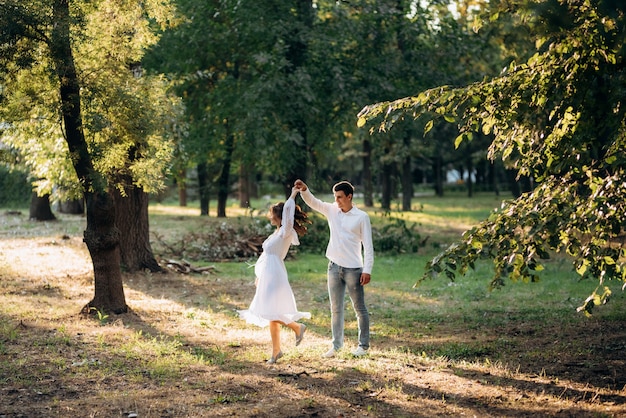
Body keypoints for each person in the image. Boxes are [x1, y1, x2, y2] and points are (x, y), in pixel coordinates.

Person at [294, 179, 373, 358]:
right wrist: (304, 190)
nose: (336, 201)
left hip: (354, 269)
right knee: (335, 308)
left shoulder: (362, 217)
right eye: (335, 197)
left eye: (339, 197)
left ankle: (363, 346)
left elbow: (368, 246)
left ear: (349, 197)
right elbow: (314, 202)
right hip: (333, 267)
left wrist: (367, 270)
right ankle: (337, 346)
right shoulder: (332, 210)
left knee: (359, 308)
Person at [238, 186, 311, 364]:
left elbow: (288, 211)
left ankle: (297, 327)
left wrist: (294, 194)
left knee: (269, 311)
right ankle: (276, 351)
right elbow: (265, 256)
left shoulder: (286, 231)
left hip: (275, 273)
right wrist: (259, 275)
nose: (270, 216)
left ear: (280, 217)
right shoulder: (276, 232)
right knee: (271, 312)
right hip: (268, 273)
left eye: (272, 213)